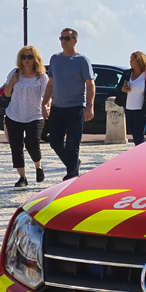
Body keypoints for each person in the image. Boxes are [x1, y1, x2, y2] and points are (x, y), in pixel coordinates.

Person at [42, 28, 94, 180]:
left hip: (76, 107)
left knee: (72, 144)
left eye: (67, 38)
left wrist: (89, 106)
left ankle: (72, 175)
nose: (63, 41)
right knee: (55, 142)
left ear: (75, 41)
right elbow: (51, 83)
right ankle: (74, 164)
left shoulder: (82, 60)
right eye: (61, 38)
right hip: (58, 108)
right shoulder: (55, 59)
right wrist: (45, 102)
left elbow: (90, 84)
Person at [3, 45, 49, 187]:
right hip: (14, 114)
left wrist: (46, 106)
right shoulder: (15, 73)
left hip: (34, 115)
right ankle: (22, 178)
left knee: (32, 143)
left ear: (35, 59)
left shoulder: (41, 76)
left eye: (30, 57)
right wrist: (12, 82)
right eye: (24, 57)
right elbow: (7, 93)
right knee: (16, 146)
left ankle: (38, 166)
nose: (26, 60)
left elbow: (47, 95)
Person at [120, 50, 146, 145]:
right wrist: (122, 89)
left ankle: (141, 155)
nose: (130, 62)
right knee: (134, 134)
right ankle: (139, 153)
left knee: (139, 134)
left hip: (141, 110)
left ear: (139, 61)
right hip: (129, 108)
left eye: (132, 60)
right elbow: (118, 88)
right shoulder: (127, 73)